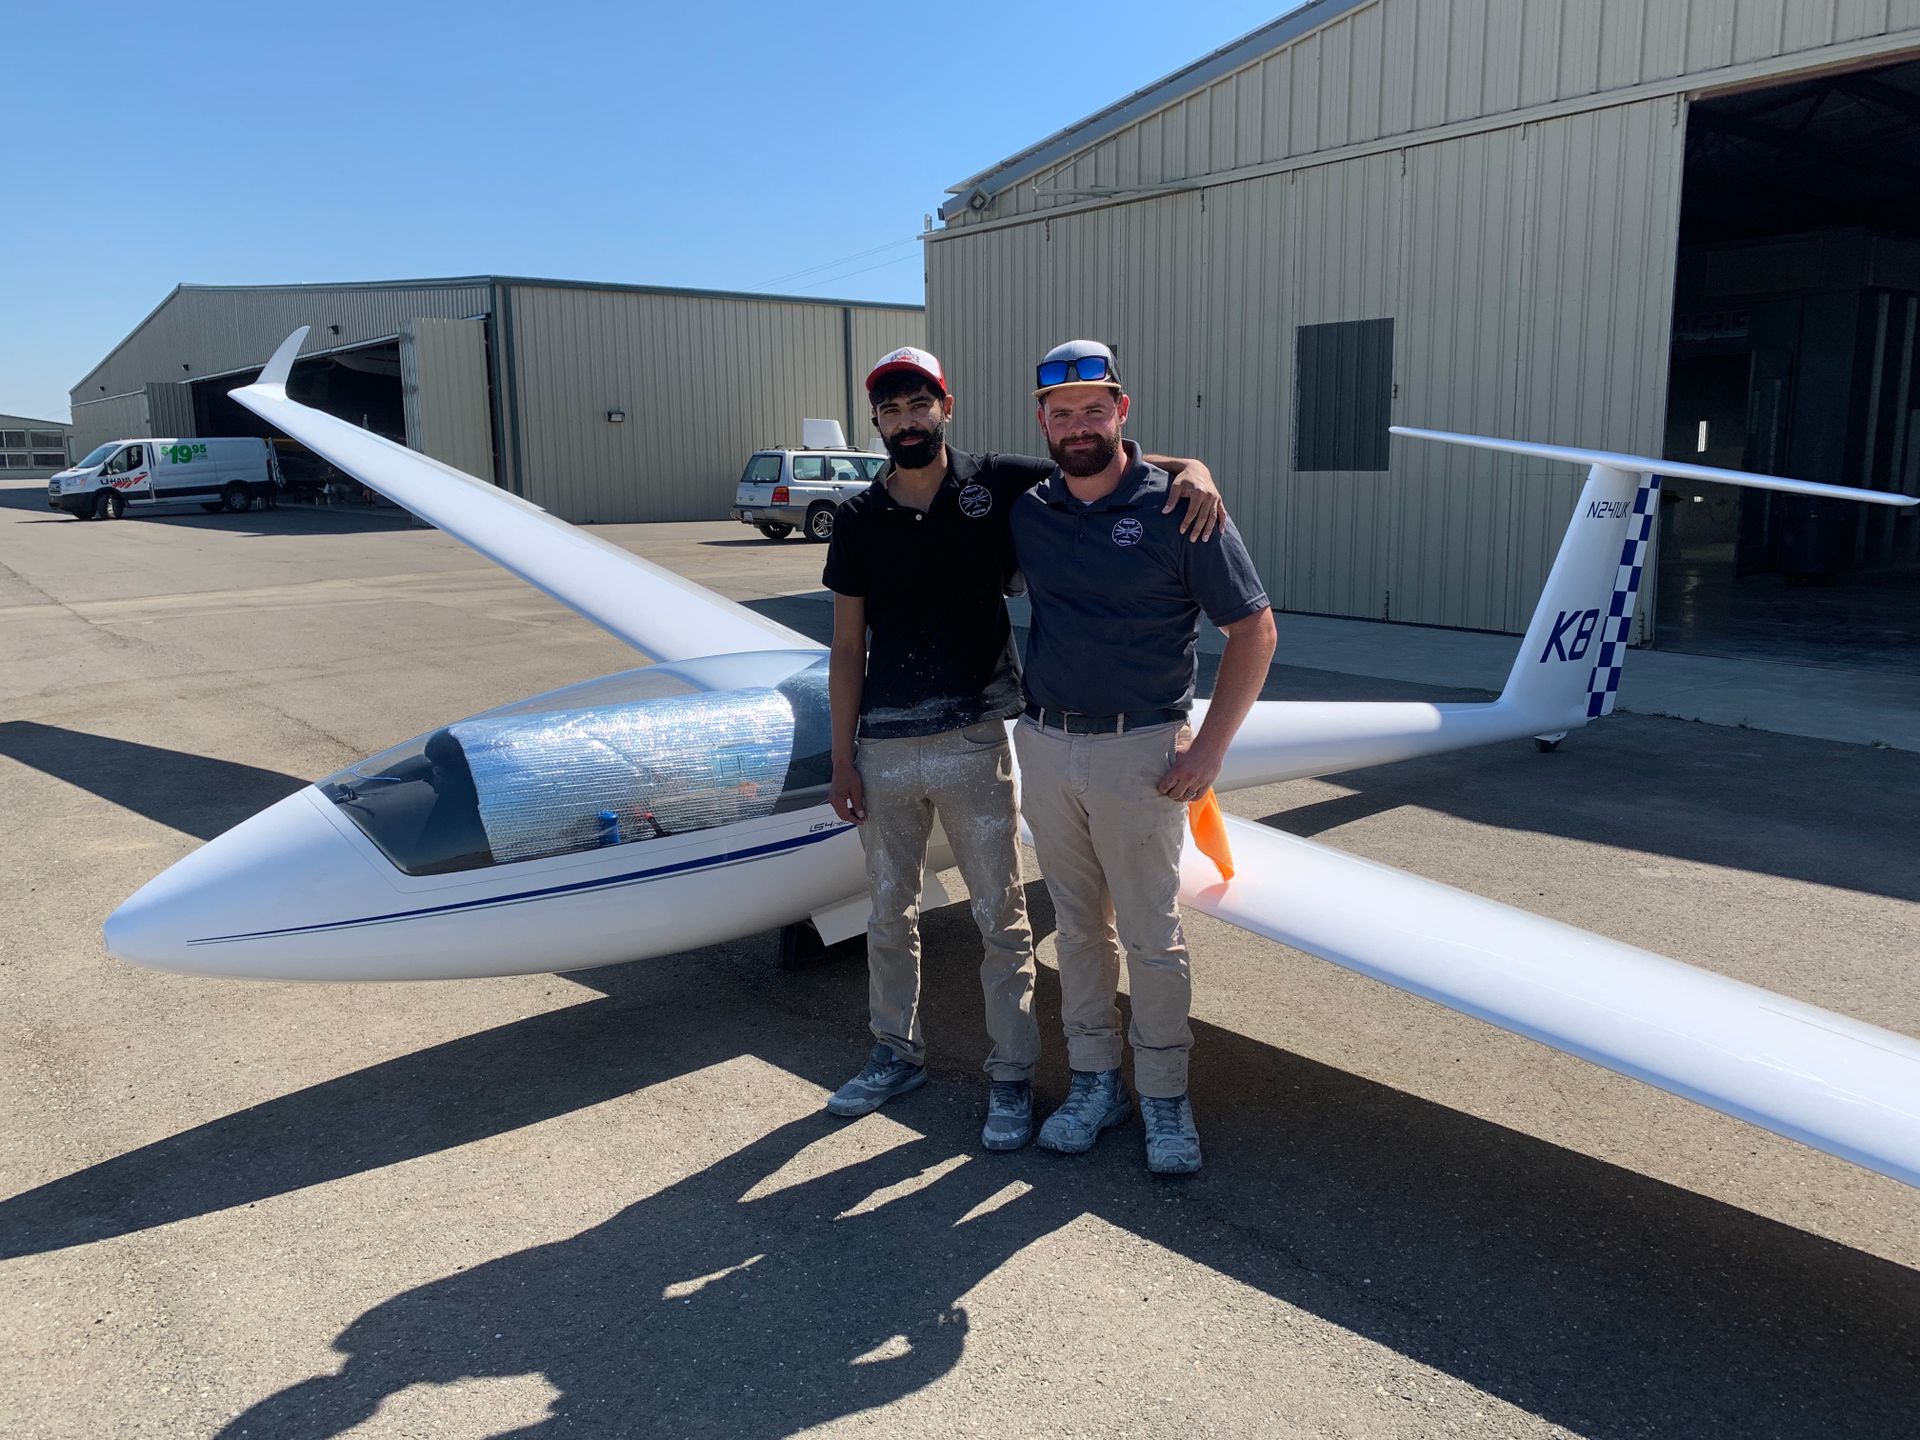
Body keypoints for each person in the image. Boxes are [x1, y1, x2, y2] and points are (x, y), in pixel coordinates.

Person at [820, 345, 1225, 1153]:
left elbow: (1099, 456)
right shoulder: (861, 517)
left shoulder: (996, 483)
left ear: (947, 406)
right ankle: (896, 1052)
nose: (907, 419)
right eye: (892, 409)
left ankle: (1015, 1077)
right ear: (876, 421)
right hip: (891, 746)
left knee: (1005, 917)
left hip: (979, 737)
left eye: (920, 404)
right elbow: (845, 647)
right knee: (892, 913)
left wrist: (1199, 467)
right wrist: (842, 759)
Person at [1010, 340, 1276, 1175]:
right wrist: (1188, 457)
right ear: (1043, 422)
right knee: (1079, 933)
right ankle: (1097, 1083)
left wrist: (1211, 749)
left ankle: (1165, 1096)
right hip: (1047, 746)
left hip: (1143, 750)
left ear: (1123, 410)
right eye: (1063, 412)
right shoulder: (1032, 505)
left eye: (1096, 408)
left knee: (1153, 938)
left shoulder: (1182, 508)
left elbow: (1254, 630)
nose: (1079, 424)